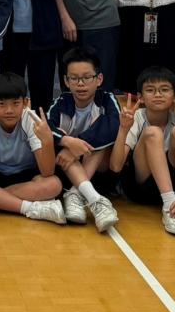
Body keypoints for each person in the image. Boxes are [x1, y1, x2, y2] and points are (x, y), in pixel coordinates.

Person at [110, 67, 175, 237]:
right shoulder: (136, 118)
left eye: (164, 90)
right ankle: (170, 207)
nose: (158, 94)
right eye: (150, 90)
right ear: (140, 97)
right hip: (141, 187)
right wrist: (123, 129)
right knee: (153, 133)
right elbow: (115, 166)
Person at [0, 73, 65, 224]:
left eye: (15, 103)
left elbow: (47, 172)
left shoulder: (31, 119)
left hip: (25, 177)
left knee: (54, 184)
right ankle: (30, 208)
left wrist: (47, 141)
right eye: (1, 104)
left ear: (25, 102)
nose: (9, 110)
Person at [48, 47, 121, 231]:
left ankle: (75, 194)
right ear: (66, 81)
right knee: (59, 137)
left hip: (99, 170)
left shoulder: (107, 100)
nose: (80, 84)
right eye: (74, 78)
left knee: (102, 128)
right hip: (65, 169)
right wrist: (68, 142)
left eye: (87, 77)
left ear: (99, 79)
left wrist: (75, 145)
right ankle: (93, 199)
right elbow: (45, 128)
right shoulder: (60, 103)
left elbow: (113, 127)